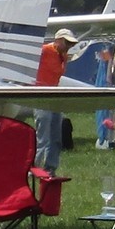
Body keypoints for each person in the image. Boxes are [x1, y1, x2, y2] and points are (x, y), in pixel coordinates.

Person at [34, 28, 76, 172]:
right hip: (40, 95)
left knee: (56, 137)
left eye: (71, 43)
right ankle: (34, 167)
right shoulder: (44, 50)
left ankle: (50, 169)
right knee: (43, 135)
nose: (69, 46)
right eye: (67, 42)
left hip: (53, 95)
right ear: (58, 40)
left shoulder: (63, 56)